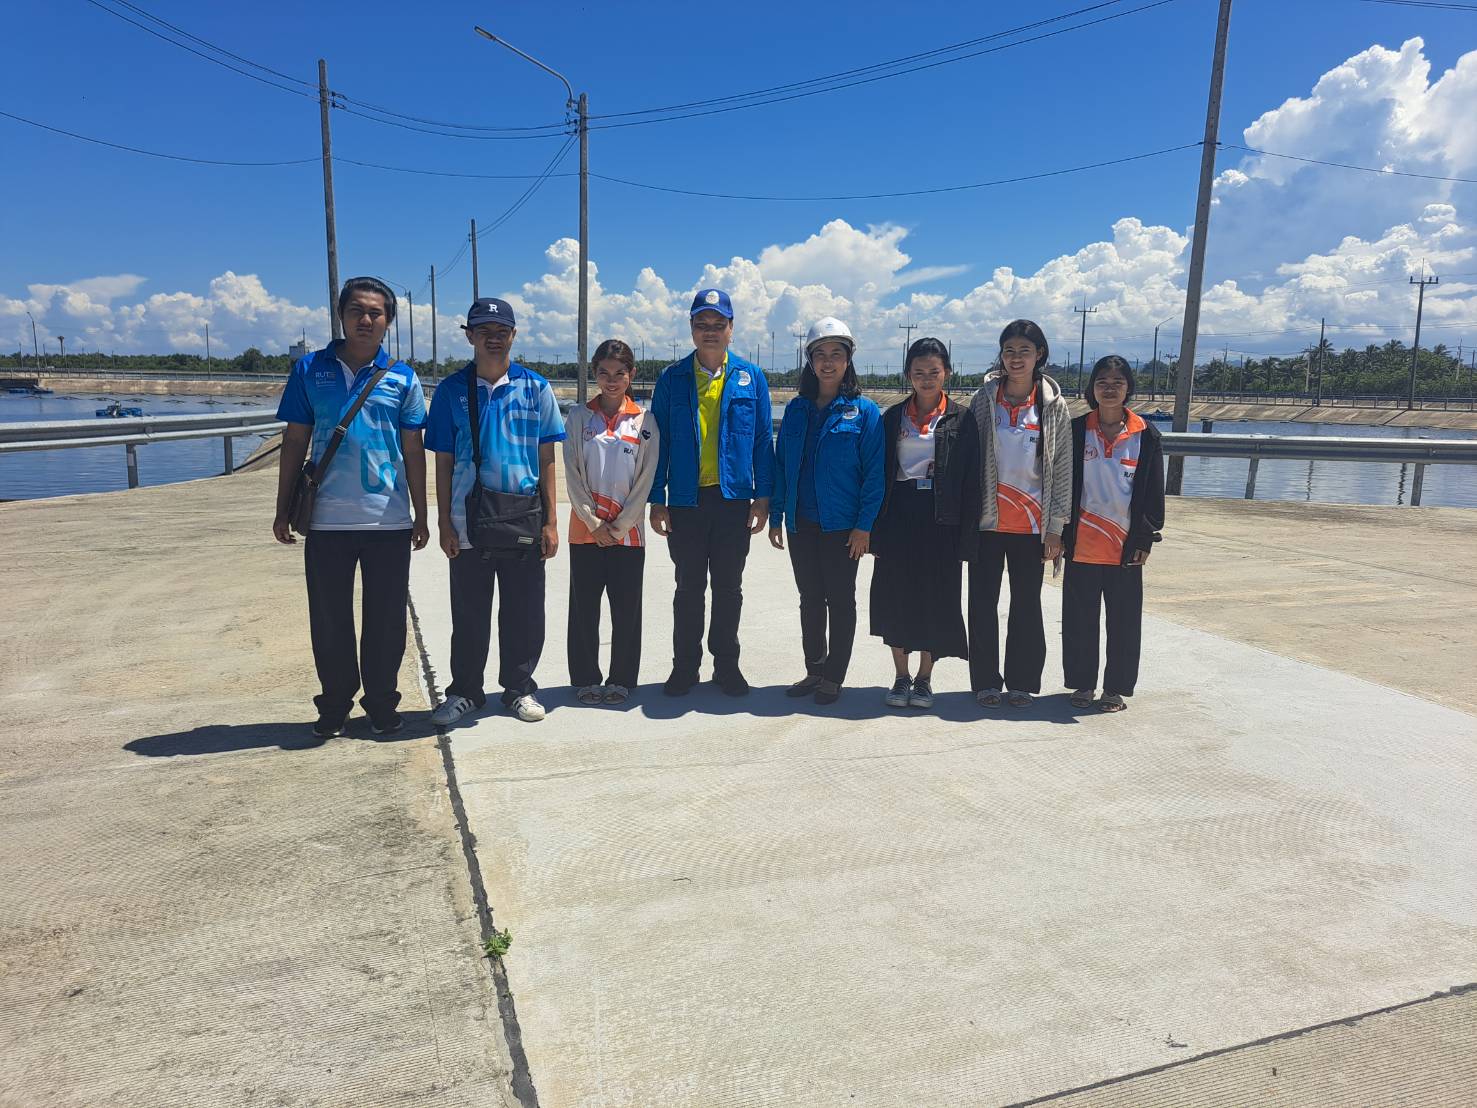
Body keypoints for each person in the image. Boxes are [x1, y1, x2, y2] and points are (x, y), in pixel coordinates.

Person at [272, 276, 429, 739]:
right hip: (326, 520)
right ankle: (335, 704)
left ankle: (381, 704)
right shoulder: (309, 370)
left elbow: (413, 449)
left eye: (375, 313)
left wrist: (422, 514)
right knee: (329, 620)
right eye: (356, 310)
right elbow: (295, 440)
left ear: (388, 322)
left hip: (389, 519)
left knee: (386, 623)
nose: (365, 320)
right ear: (341, 315)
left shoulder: (403, 377)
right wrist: (282, 510)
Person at [424, 298, 565, 726]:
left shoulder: (536, 388)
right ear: (470, 336)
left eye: (501, 331)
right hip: (468, 521)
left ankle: (519, 688)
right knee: (469, 613)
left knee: (524, 611)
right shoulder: (451, 391)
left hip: (523, 517)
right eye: (484, 330)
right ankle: (465, 691)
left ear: (513, 335)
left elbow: (546, 458)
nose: (493, 338)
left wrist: (551, 521)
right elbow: (443, 460)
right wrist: (444, 521)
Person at [647, 288, 774, 697]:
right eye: (702, 324)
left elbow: (762, 441)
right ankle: (685, 667)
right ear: (691, 328)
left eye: (718, 324)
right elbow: (658, 444)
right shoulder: (671, 379)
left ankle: (727, 666)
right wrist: (657, 498)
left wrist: (763, 496)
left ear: (731, 329)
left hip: (733, 500)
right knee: (688, 589)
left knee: (728, 588)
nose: (710, 331)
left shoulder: (750, 377)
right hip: (686, 501)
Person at [768, 318, 885, 705]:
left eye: (837, 354)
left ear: (849, 360)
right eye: (821, 354)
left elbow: (874, 475)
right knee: (810, 599)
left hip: (843, 527)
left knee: (841, 600)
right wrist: (777, 517)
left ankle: (834, 676)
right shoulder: (796, 410)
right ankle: (814, 669)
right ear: (810, 361)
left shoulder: (864, 412)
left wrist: (864, 527)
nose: (828, 362)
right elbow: (781, 466)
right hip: (801, 522)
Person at [961, 319, 1072, 708]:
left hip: (1031, 527)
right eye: (1009, 350)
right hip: (988, 523)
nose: (1016, 358)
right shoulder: (984, 399)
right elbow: (969, 459)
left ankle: (1022, 682)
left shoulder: (1053, 406)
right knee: (982, 604)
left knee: (1026, 605)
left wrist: (1056, 528)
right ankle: (986, 682)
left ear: (1039, 354)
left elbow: (1062, 469)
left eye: (1024, 350)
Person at [869, 337, 974, 711]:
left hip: (941, 516)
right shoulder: (892, 417)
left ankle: (925, 678)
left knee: (936, 597)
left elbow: (971, 479)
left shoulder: (962, 419)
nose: (926, 379)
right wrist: (872, 528)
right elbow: (877, 473)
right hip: (899, 513)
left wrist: (968, 533)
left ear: (947, 373)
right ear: (907, 375)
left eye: (934, 371)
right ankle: (901, 676)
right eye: (918, 372)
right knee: (895, 595)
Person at [1062, 355, 1165, 712]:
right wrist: (1059, 532)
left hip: (1125, 547)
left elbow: (1153, 493)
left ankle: (1115, 689)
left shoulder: (1145, 434)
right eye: (1102, 382)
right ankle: (1082, 684)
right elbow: (1063, 485)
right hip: (1082, 543)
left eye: (1117, 383)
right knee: (1079, 620)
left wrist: (1146, 538)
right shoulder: (1076, 430)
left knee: (1123, 623)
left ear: (1128, 388)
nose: (1109, 389)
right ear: (1091, 388)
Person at [563, 338, 660, 705]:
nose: (612, 380)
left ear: (631, 374)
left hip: (628, 535)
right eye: (604, 373)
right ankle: (586, 678)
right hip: (585, 531)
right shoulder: (578, 417)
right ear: (595, 374)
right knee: (584, 609)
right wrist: (593, 523)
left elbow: (645, 479)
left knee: (626, 610)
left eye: (620, 373)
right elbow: (572, 475)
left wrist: (619, 526)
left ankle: (621, 678)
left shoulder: (645, 421)